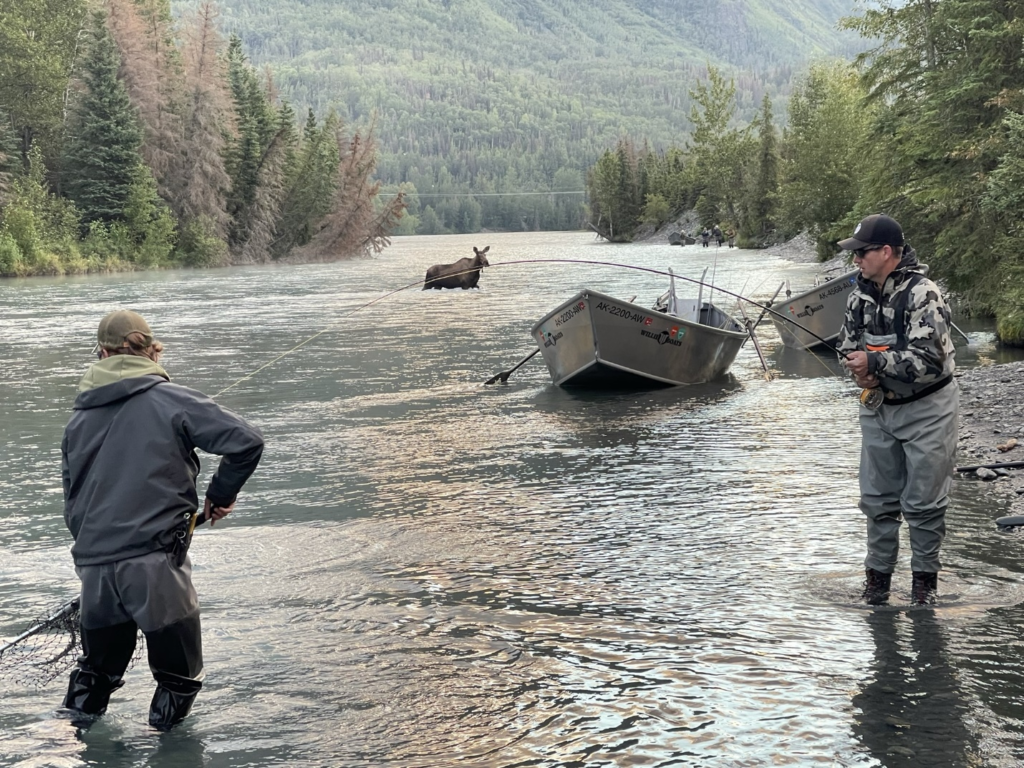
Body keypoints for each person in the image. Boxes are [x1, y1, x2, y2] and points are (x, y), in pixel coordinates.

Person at [60, 310, 264, 729]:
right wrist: (220, 496)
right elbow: (246, 442)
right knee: (180, 678)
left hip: (95, 570)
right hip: (154, 567)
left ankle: (64, 739)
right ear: (152, 349)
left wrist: (99, 557)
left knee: (96, 676)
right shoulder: (172, 400)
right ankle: (170, 751)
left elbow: (73, 504)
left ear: (101, 353)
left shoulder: (76, 420)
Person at [835, 214, 958, 607]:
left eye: (862, 253)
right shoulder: (858, 295)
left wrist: (875, 365)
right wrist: (858, 372)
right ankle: (877, 586)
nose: (855, 260)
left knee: (923, 504)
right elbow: (846, 345)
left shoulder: (925, 294)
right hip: (879, 409)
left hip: (928, 409)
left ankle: (924, 589)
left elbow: (930, 361)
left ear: (886, 252)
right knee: (877, 500)